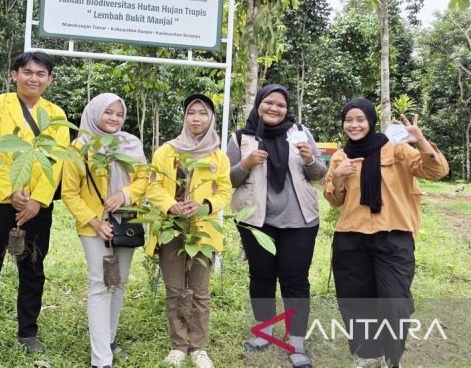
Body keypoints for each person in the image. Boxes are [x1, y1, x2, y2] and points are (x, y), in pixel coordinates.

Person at [0, 51, 70, 364]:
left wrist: (37, 200)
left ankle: (28, 333)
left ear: (49, 79)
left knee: (33, 270)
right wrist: (11, 191)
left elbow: (57, 160)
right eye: (27, 72)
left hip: (36, 206)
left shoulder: (56, 114)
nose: (33, 78)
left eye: (40, 74)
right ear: (14, 74)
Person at [324, 99, 449, 368]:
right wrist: (338, 177)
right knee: (355, 300)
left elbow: (437, 170)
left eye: (360, 119)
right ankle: (367, 354)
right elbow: (334, 200)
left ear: (370, 121)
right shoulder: (340, 156)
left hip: (394, 237)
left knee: (395, 302)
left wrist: (420, 140)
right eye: (349, 120)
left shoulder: (397, 150)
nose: (354, 125)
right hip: (351, 238)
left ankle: (393, 358)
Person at [228, 84, 326, 368]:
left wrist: (309, 159)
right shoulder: (242, 138)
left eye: (280, 105)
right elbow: (229, 179)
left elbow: (319, 173)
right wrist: (245, 163)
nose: (274, 108)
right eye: (269, 103)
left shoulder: (299, 132)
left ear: (287, 109)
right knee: (261, 277)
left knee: (295, 281)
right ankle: (265, 331)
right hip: (256, 222)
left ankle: (296, 342)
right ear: (259, 104)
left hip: (300, 222)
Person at [61, 93, 149, 368]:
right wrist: (95, 222)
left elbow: (145, 178)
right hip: (94, 227)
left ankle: (108, 340)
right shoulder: (79, 148)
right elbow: (69, 193)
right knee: (100, 284)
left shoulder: (131, 144)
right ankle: (101, 359)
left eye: (119, 114)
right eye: (107, 112)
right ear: (94, 112)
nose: (114, 118)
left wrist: (125, 194)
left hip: (127, 221)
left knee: (120, 281)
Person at [146, 94, 232, 368]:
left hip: (202, 233)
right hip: (171, 228)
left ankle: (198, 347)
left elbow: (225, 192)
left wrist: (205, 205)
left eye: (202, 113)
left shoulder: (218, 155)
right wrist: (172, 206)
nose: (196, 118)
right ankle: (178, 345)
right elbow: (153, 186)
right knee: (174, 288)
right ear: (184, 118)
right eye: (191, 113)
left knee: (199, 290)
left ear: (211, 119)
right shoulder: (166, 151)